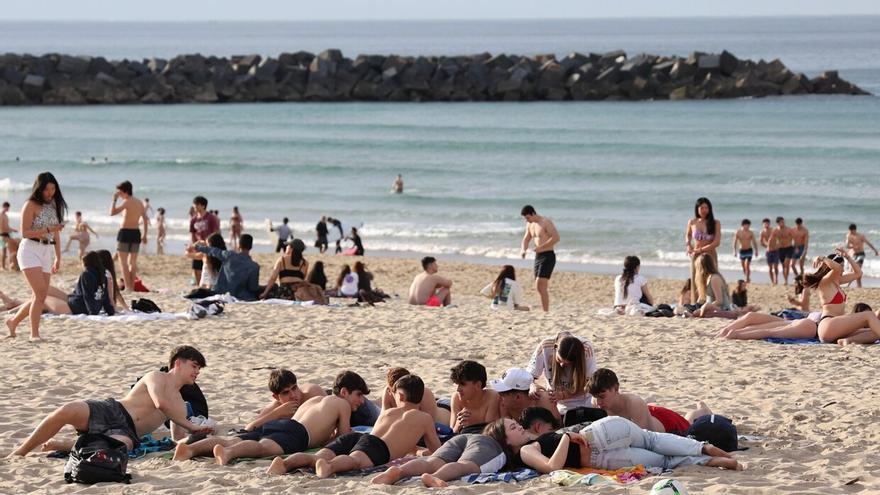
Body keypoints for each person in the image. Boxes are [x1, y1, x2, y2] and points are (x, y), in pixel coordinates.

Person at [10, 346, 215, 455]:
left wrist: (199, 436)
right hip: (112, 411)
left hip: (128, 433)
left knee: (121, 446)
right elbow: (160, 403)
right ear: (178, 363)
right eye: (194, 366)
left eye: (199, 369)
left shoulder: (180, 403)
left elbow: (176, 439)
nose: (197, 372)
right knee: (67, 410)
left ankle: (64, 445)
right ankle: (21, 451)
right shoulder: (156, 377)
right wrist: (190, 424)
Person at [280, 374, 441, 478]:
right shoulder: (424, 418)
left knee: (317, 457)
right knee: (353, 461)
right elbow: (436, 450)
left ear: (400, 396)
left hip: (361, 437)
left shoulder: (389, 412)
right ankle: (330, 466)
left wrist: (415, 450)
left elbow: (397, 437)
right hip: (378, 448)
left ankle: (284, 464)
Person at [173, 369, 347, 465]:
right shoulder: (275, 407)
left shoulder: (311, 393)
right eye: (286, 393)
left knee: (230, 440)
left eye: (295, 388)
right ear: (276, 397)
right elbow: (250, 427)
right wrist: (277, 413)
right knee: (257, 446)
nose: (294, 395)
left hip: (283, 429)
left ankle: (190, 449)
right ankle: (226, 453)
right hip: (290, 431)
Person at [483, 416, 741, 473]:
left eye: (515, 423)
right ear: (506, 442)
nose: (517, 425)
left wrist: (565, 437)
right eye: (511, 428)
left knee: (659, 454)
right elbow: (552, 467)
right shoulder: (528, 450)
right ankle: (704, 451)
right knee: (655, 447)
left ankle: (706, 455)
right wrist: (564, 437)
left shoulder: (534, 439)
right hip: (598, 443)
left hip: (599, 444)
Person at [264, 371, 371, 474]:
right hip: (299, 433)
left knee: (260, 444)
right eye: (359, 395)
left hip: (286, 426)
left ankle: (284, 464)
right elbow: (343, 439)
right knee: (315, 458)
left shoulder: (319, 399)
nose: (362, 401)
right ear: (343, 392)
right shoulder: (343, 405)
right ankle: (285, 464)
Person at [8, 172, 66, 341]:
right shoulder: (30, 205)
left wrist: (58, 257)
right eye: (46, 189)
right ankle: (34, 334)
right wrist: (47, 230)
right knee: (40, 293)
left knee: (39, 295)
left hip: (46, 251)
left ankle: (13, 322)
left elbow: (57, 233)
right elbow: (25, 232)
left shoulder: (54, 204)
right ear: (39, 189)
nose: (50, 192)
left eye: (53, 188)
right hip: (30, 250)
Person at [5, 251, 115, 337]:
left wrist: (91, 314)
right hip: (79, 303)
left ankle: (13, 320)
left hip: (75, 307)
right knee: (44, 290)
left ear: (86, 263)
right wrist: (110, 311)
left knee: (41, 298)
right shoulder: (102, 275)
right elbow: (103, 296)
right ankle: (13, 310)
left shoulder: (86, 274)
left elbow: (87, 295)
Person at [588, 368, 707, 435]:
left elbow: (642, 438)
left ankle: (702, 409)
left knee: (689, 423)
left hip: (665, 424)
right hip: (647, 413)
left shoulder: (633, 403)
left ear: (616, 388)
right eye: (595, 396)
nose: (598, 402)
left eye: (602, 396)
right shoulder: (595, 403)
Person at [371, 431, 505, 487]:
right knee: (465, 466)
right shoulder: (497, 446)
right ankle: (435, 476)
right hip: (486, 442)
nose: (520, 429)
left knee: (432, 462)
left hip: (461, 436)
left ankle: (399, 471)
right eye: (514, 428)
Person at [526, 332, 602, 424]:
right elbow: (529, 375)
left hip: (584, 403)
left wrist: (564, 395)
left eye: (568, 364)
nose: (562, 365)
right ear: (555, 348)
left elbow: (590, 385)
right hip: (555, 404)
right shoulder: (545, 346)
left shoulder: (586, 348)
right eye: (559, 360)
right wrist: (532, 385)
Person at [807, 249, 880, 344]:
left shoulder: (838, 281)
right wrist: (822, 258)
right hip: (828, 325)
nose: (843, 269)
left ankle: (847, 341)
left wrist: (848, 257)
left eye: (843, 266)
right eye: (841, 266)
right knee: (869, 315)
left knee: (874, 331)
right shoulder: (824, 282)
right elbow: (837, 269)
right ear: (830, 267)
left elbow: (858, 273)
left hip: (838, 327)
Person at [190, 234, 260, 301]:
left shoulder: (229, 255)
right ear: (251, 247)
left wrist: (198, 247)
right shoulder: (254, 266)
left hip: (220, 291)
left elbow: (213, 251)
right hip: (239, 295)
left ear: (239, 245)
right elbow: (253, 288)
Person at [109, 181, 148, 292]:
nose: (119, 194)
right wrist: (145, 234)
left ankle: (128, 287)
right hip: (136, 232)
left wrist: (114, 200)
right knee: (133, 262)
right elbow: (145, 219)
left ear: (125, 191)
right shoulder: (139, 202)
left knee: (123, 262)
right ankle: (131, 286)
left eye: (120, 192)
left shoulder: (126, 202)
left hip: (125, 232)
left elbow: (111, 212)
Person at [520, 205, 559, 312]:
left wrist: (541, 247)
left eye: (528, 217)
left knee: (540, 283)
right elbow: (526, 239)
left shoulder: (545, 222)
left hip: (548, 255)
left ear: (533, 214)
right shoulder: (530, 224)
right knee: (539, 287)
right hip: (538, 256)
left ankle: (545, 311)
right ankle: (545, 310)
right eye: (525, 218)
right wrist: (523, 250)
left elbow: (556, 238)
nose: (527, 220)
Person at [694, 254, 757, 319]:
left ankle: (745, 310)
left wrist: (706, 306)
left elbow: (719, 301)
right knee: (693, 311)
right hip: (715, 308)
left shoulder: (714, 278)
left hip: (723, 308)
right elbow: (704, 299)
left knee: (697, 312)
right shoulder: (708, 278)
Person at [379, 367, 447, 425]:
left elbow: (430, 424)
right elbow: (383, 420)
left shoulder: (424, 393)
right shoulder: (388, 392)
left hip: (445, 411)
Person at [685, 197, 721, 304]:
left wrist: (700, 250)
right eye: (702, 208)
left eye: (706, 207)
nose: (704, 210)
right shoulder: (692, 222)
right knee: (696, 280)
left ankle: (712, 304)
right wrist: (688, 245)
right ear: (697, 209)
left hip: (710, 255)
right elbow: (688, 235)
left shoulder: (715, 223)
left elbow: (716, 242)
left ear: (710, 209)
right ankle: (695, 304)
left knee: (711, 280)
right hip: (696, 256)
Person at [490, 367, 559, 422]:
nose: (499, 396)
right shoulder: (506, 405)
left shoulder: (545, 400)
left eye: (502, 394)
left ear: (517, 397)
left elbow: (558, 428)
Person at [450, 361, 500, 434]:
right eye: (457, 384)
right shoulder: (456, 398)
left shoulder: (491, 397)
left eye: (462, 384)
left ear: (478, 385)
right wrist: (459, 424)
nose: (458, 389)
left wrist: (469, 426)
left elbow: (490, 433)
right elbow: (452, 432)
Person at [189, 196, 220, 284]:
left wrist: (211, 246)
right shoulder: (193, 220)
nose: (194, 206)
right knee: (196, 268)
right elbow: (192, 234)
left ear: (203, 205)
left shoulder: (211, 218)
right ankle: (200, 287)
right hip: (198, 247)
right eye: (194, 204)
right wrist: (194, 245)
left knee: (209, 270)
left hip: (209, 248)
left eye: (196, 204)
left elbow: (216, 233)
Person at [845, 224, 878, 288]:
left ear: (854, 230)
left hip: (861, 254)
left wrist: (875, 251)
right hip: (854, 255)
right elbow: (847, 245)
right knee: (853, 271)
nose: (850, 232)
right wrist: (853, 246)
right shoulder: (849, 236)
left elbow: (869, 243)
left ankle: (859, 286)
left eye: (851, 231)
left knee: (858, 270)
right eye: (850, 231)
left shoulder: (860, 236)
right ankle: (848, 286)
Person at [769, 217, 795, 286]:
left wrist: (796, 247)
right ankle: (785, 280)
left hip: (789, 248)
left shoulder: (789, 229)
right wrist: (770, 247)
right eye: (781, 222)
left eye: (783, 222)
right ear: (778, 223)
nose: (783, 223)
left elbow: (794, 238)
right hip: (780, 249)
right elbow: (771, 239)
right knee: (784, 266)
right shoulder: (775, 230)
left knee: (787, 263)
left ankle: (786, 280)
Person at [733, 219, 759, 283]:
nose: (748, 227)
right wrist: (734, 251)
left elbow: (754, 242)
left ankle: (747, 279)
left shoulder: (750, 233)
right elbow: (735, 242)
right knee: (743, 267)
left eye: (749, 225)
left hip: (749, 250)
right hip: (742, 251)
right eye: (746, 225)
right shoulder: (738, 232)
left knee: (747, 265)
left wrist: (756, 251)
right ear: (743, 225)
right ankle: (747, 277)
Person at [760, 218, 779, 285]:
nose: (766, 225)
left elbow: (779, 238)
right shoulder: (762, 232)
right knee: (770, 267)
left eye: (767, 223)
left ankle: (776, 278)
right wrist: (767, 246)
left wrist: (777, 245)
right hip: (769, 252)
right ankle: (772, 281)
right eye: (765, 223)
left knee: (776, 267)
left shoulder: (773, 230)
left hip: (775, 251)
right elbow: (761, 242)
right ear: (763, 224)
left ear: (769, 224)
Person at [1, 201, 19, 270]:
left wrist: (13, 229)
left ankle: (8, 265)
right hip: (2, 234)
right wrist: (10, 230)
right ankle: (2, 267)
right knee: (4, 250)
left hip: (7, 234)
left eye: (8, 207)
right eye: (7, 207)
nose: (8, 209)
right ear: (4, 207)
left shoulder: (5, 215)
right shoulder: (1, 215)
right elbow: (2, 227)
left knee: (8, 250)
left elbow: (7, 226)